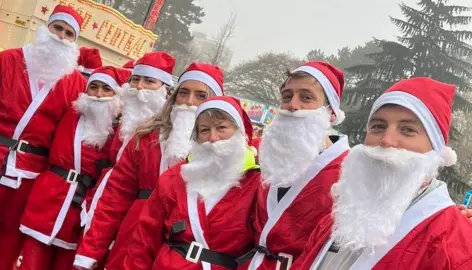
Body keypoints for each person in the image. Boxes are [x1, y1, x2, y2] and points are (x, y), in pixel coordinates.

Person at [292, 77, 472, 270]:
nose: (386, 140)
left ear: (436, 148)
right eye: (378, 126)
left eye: (407, 130)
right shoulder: (344, 215)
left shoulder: (456, 241)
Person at [74, 62, 225, 270]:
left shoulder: (224, 151)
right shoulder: (146, 138)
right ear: (174, 97)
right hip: (132, 241)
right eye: (183, 93)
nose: (189, 102)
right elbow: (114, 197)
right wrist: (91, 251)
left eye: (201, 96)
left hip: (181, 255)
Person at [0, 5, 85, 269]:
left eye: (69, 33)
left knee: (10, 238)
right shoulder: (7, 59)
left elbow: (66, 135)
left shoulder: (74, 81)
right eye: (58, 28)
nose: (61, 36)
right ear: (47, 27)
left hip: (31, 173)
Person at [124, 96, 260, 269]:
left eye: (221, 128)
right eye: (204, 130)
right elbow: (145, 237)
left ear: (239, 131)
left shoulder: (256, 182)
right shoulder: (176, 177)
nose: (213, 137)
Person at [15, 66, 129, 269]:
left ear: (116, 94)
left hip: (79, 211)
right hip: (48, 199)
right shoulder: (69, 112)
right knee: (31, 262)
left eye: (106, 89)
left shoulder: (119, 132)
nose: (98, 94)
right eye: (93, 87)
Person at [247, 61, 350, 270]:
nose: (293, 105)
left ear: (330, 112)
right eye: (287, 97)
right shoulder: (268, 158)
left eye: (306, 97)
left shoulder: (348, 173)